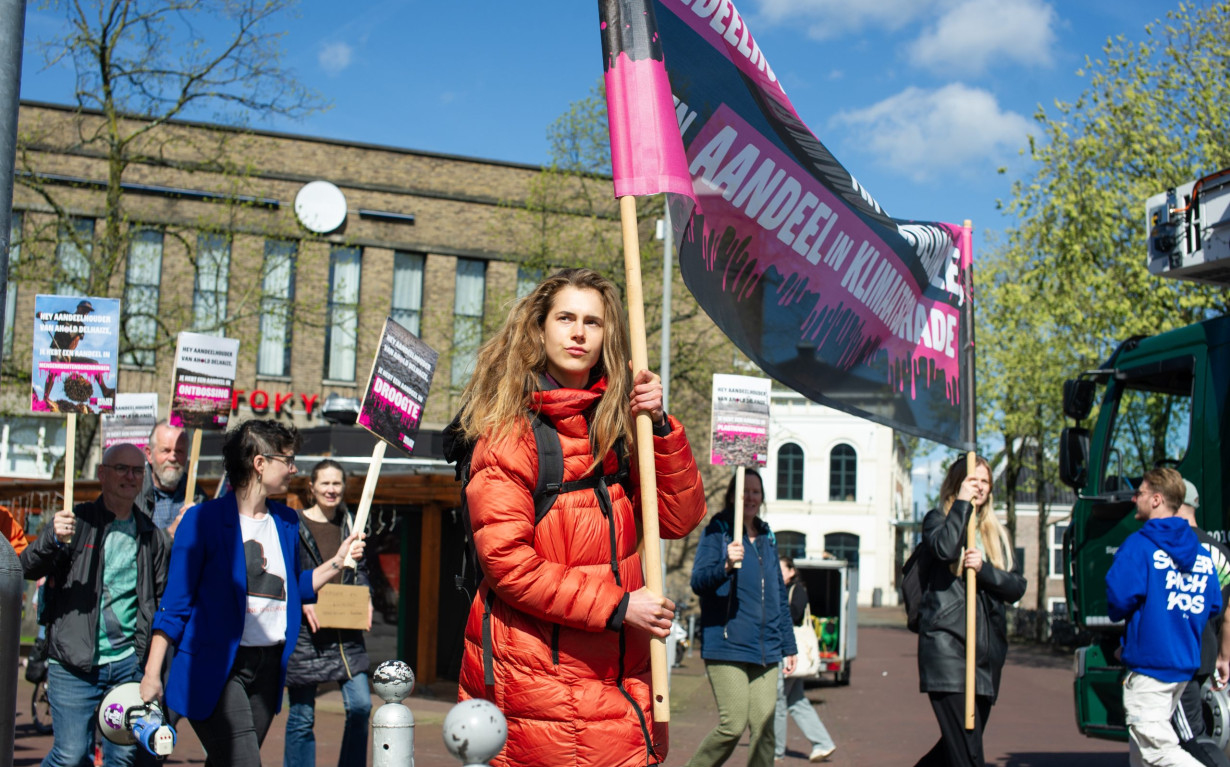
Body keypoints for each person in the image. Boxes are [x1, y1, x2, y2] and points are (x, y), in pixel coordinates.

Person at [453, 268, 707, 767]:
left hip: (626, 678)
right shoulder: (509, 433)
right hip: (542, 685)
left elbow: (679, 519)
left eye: (593, 321)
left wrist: (657, 427)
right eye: (565, 318)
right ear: (539, 329)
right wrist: (618, 606)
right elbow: (508, 564)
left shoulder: (621, 423)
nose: (578, 332)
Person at [138, 420, 366, 767]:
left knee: (225, 761)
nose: (293, 469)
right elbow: (175, 604)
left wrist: (337, 561)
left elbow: (294, 587)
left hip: (267, 670)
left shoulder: (287, 521)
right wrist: (152, 673)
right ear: (260, 463)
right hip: (217, 667)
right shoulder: (202, 520)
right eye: (287, 460)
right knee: (244, 762)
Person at [20, 443, 171, 767]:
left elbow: (161, 605)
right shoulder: (75, 522)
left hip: (127, 666)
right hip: (73, 664)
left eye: (136, 470)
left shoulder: (152, 536)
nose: (130, 476)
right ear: (102, 474)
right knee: (71, 756)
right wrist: (50, 537)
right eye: (121, 468)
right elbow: (27, 568)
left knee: (124, 758)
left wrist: (150, 669)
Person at [913, 455, 1026, 767]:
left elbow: (1017, 586)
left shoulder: (996, 533)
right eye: (972, 480)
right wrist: (962, 505)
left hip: (986, 661)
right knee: (969, 756)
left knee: (952, 751)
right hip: (948, 653)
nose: (980, 486)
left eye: (985, 481)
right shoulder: (937, 520)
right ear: (957, 483)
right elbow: (945, 549)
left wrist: (986, 570)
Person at [1108, 467, 1222, 767]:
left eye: (1140, 493)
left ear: (1156, 499)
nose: (1135, 499)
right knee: (1142, 754)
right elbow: (1213, 604)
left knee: (1157, 748)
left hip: (1150, 666)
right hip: (1184, 664)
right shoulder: (1201, 554)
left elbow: (1117, 600)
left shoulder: (1139, 546)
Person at [686, 469, 797, 767]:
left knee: (764, 730)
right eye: (744, 491)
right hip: (728, 645)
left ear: (762, 497)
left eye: (756, 491)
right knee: (733, 725)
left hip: (767, 649)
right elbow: (698, 582)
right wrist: (725, 564)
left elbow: (777, 593)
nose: (750, 497)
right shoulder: (718, 531)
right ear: (733, 495)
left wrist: (789, 645)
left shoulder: (767, 536)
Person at [284, 459, 372, 767]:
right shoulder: (294, 523)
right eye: (325, 483)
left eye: (337, 483)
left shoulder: (351, 523)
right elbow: (287, 575)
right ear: (311, 487)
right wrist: (303, 599)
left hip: (345, 631)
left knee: (361, 705)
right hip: (307, 634)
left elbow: (359, 570)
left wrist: (367, 598)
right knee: (302, 716)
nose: (331, 490)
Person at [1172, 479, 1230, 767]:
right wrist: (1223, 656)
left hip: (1182, 652)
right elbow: (1228, 611)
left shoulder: (1175, 548)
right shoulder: (1220, 550)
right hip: (1207, 649)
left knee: (1190, 734)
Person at [775, 556, 837, 763]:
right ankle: (823, 743)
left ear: (792, 571)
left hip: (790, 654)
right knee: (797, 701)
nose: (778, 572)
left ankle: (775, 750)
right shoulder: (782, 589)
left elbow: (793, 614)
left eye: (782, 569)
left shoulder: (796, 590)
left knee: (778, 701)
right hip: (789, 653)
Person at [140, 420, 204, 537]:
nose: (173, 458)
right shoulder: (134, 496)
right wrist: (171, 533)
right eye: (166, 450)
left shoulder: (198, 497)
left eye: (179, 451)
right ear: (149, 454)